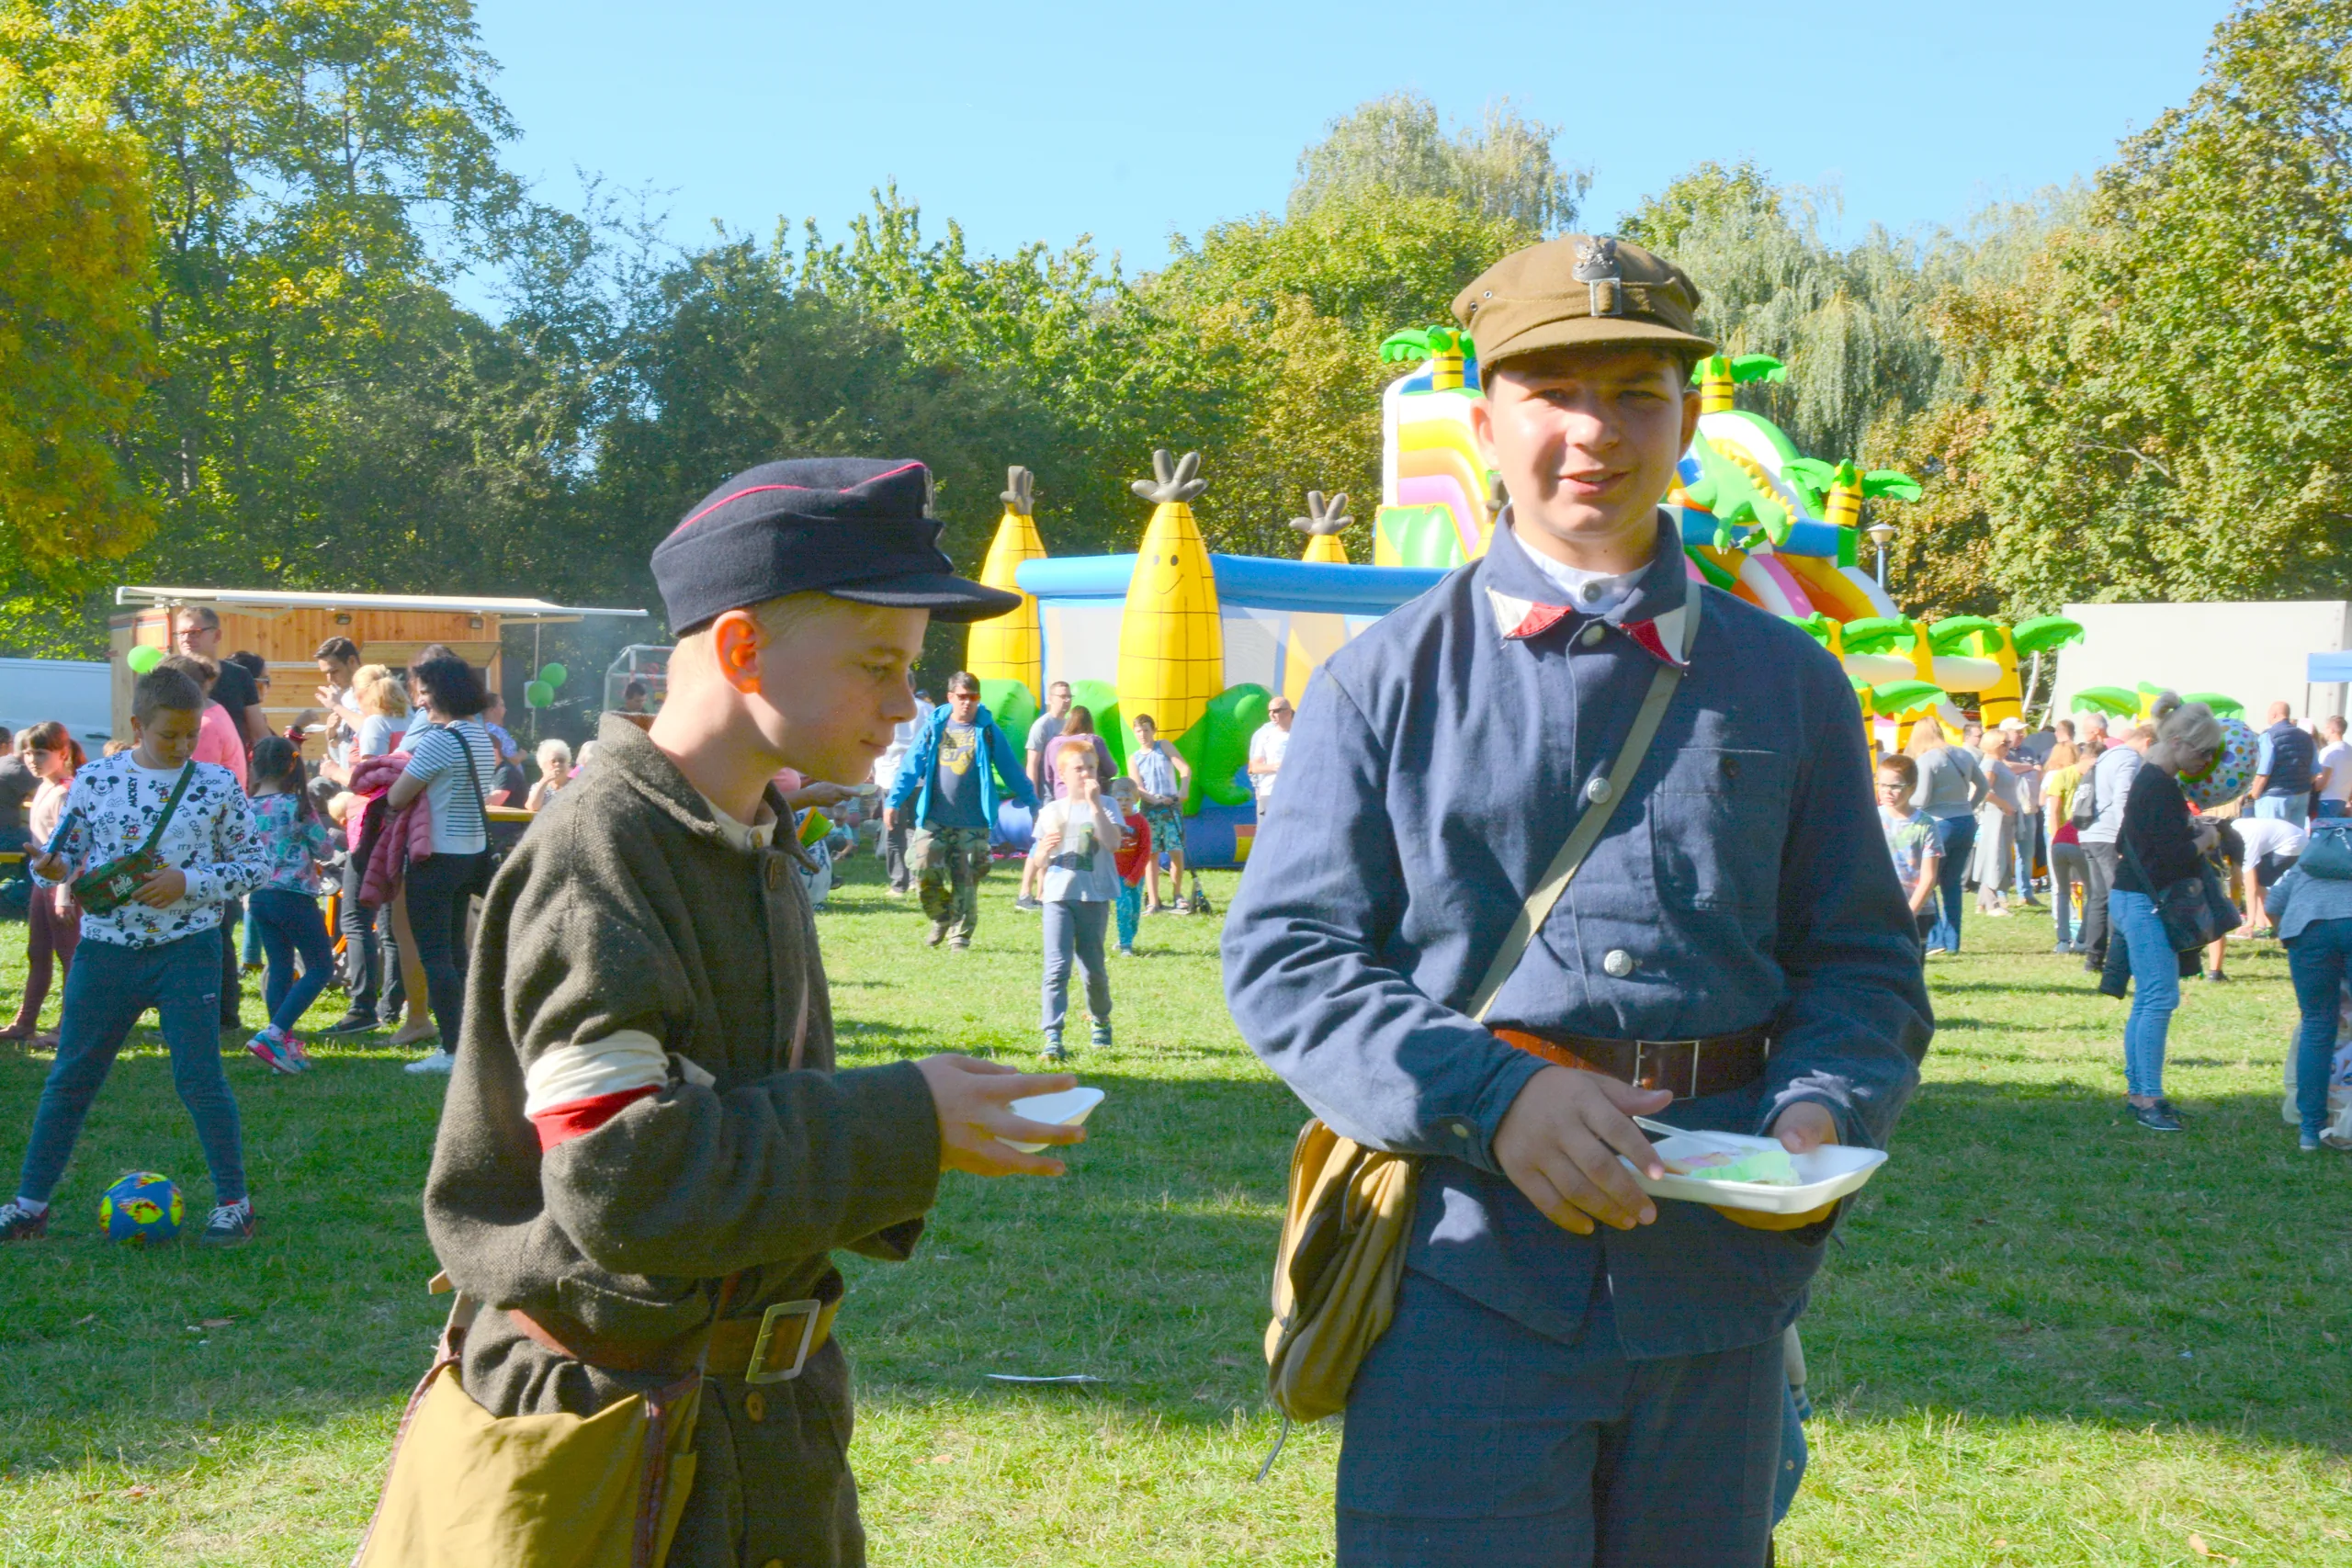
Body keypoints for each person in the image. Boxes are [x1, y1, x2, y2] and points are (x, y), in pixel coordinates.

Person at [1223, 234, 1931, 1568]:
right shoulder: (1383, 679)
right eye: (1552, 392)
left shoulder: (1791, 681)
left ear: (1689, 421)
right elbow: (1289, 956)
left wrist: (1822, 1105)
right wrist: (1493, 1097)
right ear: (1486, 420)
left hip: (1717, 1279)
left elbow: (1862, 961)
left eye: (1636, 394)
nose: (1594, 432)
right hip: (1460, 1271)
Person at [415, 455, 1081, 1567]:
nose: (904, 703)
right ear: (739, 649)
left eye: (911, 669)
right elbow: (622, 1178)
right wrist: (904, 1121)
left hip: (756, 1429)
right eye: (877, 664)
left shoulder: (738, 834)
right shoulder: (604, 850)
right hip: (616, 1445)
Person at [3, 665, 266, 1244]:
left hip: (188, 951)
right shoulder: (95, 780)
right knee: (70, 1077)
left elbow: (255, 865)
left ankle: (234, 1205)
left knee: (200, 1079)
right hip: (106, 952)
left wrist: (188, 882)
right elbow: (62, 858)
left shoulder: (217, 785)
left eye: (190, 734)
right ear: (137, 725)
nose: (181, 745)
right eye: (168, 734)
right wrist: (49, 867)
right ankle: (29, 1205)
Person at [2106, 703, 2225, 1133]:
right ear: (2176, 742)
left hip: (2133, 897)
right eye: (2202, 751)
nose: (2206, 761)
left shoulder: (2151, 779)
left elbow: (2126, 840)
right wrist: (2206, 838)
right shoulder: (2160, 786)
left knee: (2150, 1000)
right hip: (2144, 901)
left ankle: (2141, 1093)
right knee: (2159, 999)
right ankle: (2148, 1099)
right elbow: (2173, 856)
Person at [384, 654, 502, 1075]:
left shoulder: (439, 740)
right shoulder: (482, 738)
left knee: (435, 956)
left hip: (435, 857)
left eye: (423, 693)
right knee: (457, 955)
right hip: (471, 855)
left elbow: (397, 796)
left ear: (441, 694)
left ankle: (453, 1050)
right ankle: (470, 1044)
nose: (420, 701)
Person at [882, 671, 1035, 950]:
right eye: (962, 697)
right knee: (922, 870)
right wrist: (893, 801)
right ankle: (941, 916)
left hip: (973, 821)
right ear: (950, 697)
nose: (967, 702)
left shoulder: (987, 730)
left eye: (973, 697)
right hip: (934, 818)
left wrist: (1033, 802)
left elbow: (1010, 768)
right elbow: (911, 766)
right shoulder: (934, 726)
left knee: (966, 880)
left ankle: (960, 937)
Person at [319, 668, 415, 1037]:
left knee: (356, 918)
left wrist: (334, 772)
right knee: (392, 925)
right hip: (404, 826)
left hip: (372, 827)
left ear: (366, 695)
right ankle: (391, 1005)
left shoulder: (375, 724)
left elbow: (374, 781)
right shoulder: (412, 723)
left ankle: (361, 1007)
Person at [242, 736, 336, 1075]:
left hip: (260, 898)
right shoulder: (296, 806)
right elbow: (325, 850)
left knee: (280, 967)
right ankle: (274, 1034)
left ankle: (281, 1048)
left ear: (254, 766)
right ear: (291, 766)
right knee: (321, 967)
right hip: (294, 896)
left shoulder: (246, 808)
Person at [1032, 746, 1123, 1062]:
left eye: (1091, 768)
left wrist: (1095, 804)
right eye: (1078, 769)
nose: (1086, 774)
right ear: (1062, 774)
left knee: (1093, 969)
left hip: (1094, 896)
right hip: (1058, 896)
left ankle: (1101, 1019)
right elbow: (1039, 860)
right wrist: (1043, 851)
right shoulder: (1051, 810)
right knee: (1056, 968)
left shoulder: (1108, 804)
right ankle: (1052, 1036)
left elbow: (1113, 843)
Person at [2265, 829, 2352, 1150]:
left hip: (2307, 931)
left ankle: (2311, 1132)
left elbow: (2273, 903)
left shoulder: (2312, 859)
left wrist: (2289, 940)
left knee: (2316, 1026)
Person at [3, 725, 85, 1045]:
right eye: (27, 753)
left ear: (62, 753)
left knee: (68, 955)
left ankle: (69, 1026)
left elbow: (73, 848)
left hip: (62, 884)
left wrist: (65, 895)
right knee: (37, 951)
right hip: (42, 881)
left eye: (40, 753)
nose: (32, 760)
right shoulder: (44, 787)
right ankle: (25, 1021)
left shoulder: (66, 792)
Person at [2078, 724, 2154, 972]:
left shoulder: (2107, 755)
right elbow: (2123, 797)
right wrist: (2127, 836)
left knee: (2099, 897)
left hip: (2090, 831)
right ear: (2148, 742)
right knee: (2118, 896)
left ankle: (2093, 958)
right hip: (2110, 834)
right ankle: (2117, 957)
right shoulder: (2129, 759)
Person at [1907, 718, 1984, 953]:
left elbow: (1921, 799)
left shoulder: (1926, 759)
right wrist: (1968, 806)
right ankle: (1953, 942)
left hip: (1939, 824)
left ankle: (1935, 939)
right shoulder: (1963, 754)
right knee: (1952, 884)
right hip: (1966, 822)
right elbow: (1983, 787)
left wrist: (1903, 802)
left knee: (1927, 881)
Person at [1014, 681, 1074, 910]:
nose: (1066, 701)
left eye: (1069, 696)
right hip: (1045, 796)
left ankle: (1042, 894)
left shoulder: (1068, 724)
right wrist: (1034, 799)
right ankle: (1024, 893)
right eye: (1062, 696)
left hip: (1062, 794)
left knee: (1052, 844)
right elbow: (1032, 764)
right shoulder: (1042, 725)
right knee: (1041, 843)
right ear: (1050, 699)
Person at [1128, 713, 1193, 915]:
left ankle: (1177, 894)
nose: (1142, 735)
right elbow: (1138, 787)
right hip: (1150, 809)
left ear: (1153, 731)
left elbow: (1184, 768)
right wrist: (1154, 799)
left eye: (1146, 730)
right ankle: (1153, 900)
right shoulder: (1134, 758)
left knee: (1176, 851)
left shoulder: (1163, 746)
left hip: (1171, 806)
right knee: (1151, 854)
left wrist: (1183, 789)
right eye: (1138, 731)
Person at [1876, 753, 1940, 950]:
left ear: (1912, 787)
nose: (1887, 791)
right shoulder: (1871, 818)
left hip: (1918, 910)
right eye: (1882, 785)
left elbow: (1929, 877)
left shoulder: (1926, 824)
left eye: (1895, 786)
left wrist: (1910, 913)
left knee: (1912, 962)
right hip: (1878, 909)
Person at [176, 606, 266, 746]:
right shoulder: (171, 677)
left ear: (217, 635)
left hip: (230, 758)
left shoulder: (239, 675)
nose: (186, 639)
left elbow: (259, 735)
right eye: (181, 633)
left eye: (194, 632)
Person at [2041, 741, 2090, 953]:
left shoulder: (2061, 775)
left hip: (2059, 839)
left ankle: (2062, 940)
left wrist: (2054, 838)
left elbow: (2050, 808)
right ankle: (2082, 939)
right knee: (2094, 892)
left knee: (2061, 890)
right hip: (2078, 840)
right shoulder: (2089, 781)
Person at [1972, 728, 2022, 918]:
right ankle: (1992, 904)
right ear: (1994, 745)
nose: (2008, 746)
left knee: (1996, 855)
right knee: (1994, 856)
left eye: (2008, 743)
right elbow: (1984, 790)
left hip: (2002, 815)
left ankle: (1982, 902)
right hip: (1996, 815)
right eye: (2004, 743)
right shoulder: (1991, 763)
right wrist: (2005, 805)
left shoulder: (1998, 763)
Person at [2248, 700, 2317, 826]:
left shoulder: (2269, 736)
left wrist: (2255, 794)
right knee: (2295, 836)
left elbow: (2264, 770)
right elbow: (2315, 771)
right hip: (2302, 794)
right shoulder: (2307, 737)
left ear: (2273, 714)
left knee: (2271, 834)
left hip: (2275, 796)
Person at [1109, 774, 1150, 958]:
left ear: (1135, 800)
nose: (1123, 804)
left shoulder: (1140, 822)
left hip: (1135, 875)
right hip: (1117, 875)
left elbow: (1145, 851)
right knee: (1123, 907)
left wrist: (1135, 875)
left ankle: (1128, 936)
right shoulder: (1111, 821)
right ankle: (1126, 945)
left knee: (1134, 911)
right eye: (1119, 800)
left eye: (1127, 799)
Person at [313, 635, 363, 764]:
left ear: (352, 662)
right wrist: (332, 734)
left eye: (334, 671)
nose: (330, 679)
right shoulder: (344, 697)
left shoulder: (379, 693)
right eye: (326, 674)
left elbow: (374, 732)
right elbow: (340, 756)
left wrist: (337, 707)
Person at [1247, 694, 1295, 817]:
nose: (1271, 714)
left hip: (1295, 792)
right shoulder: (1264, 735)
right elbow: (1254, 767)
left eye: (1276, 711)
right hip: (1270, 791)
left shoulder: (1301, 735)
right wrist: (1274, 767)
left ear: (1288, 712)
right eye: (1269, 711)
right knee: (1266, 827)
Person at [0, 723, 39, 855]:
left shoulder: (3, 762)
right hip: (5, 834)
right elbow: (43, 793)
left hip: (6, 830)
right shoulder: (17, 770)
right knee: (43, 840)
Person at [2315, 715, 2352, 819]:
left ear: (2331, 730)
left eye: (2326, 728)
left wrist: (2311, 787)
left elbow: (2323, 781)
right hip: (2343, 799)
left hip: (2326, 799)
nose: (2324, 732)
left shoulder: (2328, 751)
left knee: (2323, 828)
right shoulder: (2350, 751)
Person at [525, 738, 572, 812]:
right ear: (544, 765)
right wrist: (545, 780)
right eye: (553, 761)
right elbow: (532, 806)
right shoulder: (539, 786)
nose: (558, 764)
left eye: (561, 760)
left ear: (567, 763)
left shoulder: (576, 785)